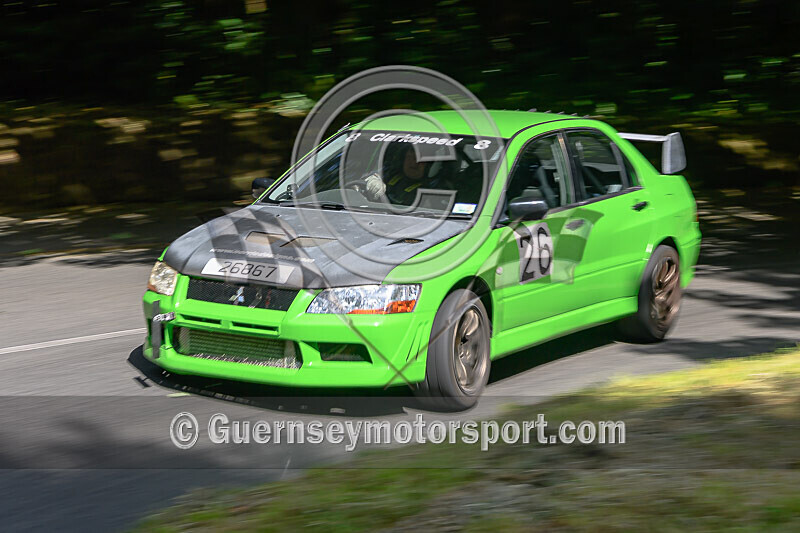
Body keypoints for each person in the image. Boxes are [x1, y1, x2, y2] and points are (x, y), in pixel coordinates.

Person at [363, 145, 433, 205]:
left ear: (429, 165)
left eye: (419, 160)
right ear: (403, 159)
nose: (414, 163)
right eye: (409, 157)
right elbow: (364, 177)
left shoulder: (431, 190)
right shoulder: (390, 173)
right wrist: (372, 179)